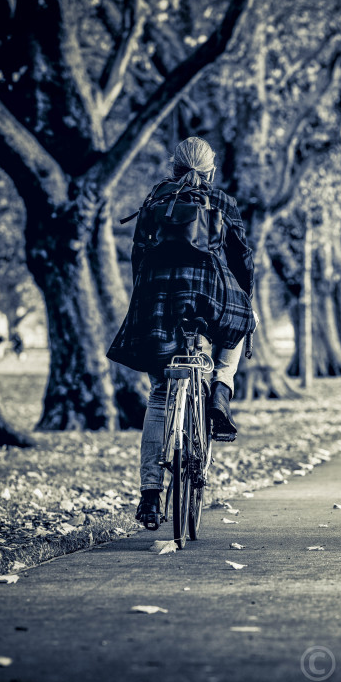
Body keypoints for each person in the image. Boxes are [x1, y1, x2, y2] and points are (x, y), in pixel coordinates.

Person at [107, 137, 256, 530]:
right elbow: (243, 258)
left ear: (173, 168)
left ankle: (151, 495)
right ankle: (221, 390)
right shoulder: (222, 202)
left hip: (157, 299)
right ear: (210, 170)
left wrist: (144, 294)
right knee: (239, 325)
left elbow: (138, 253)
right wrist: (246, 294)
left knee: (160, 393)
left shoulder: (156, 199)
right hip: (209, 292)